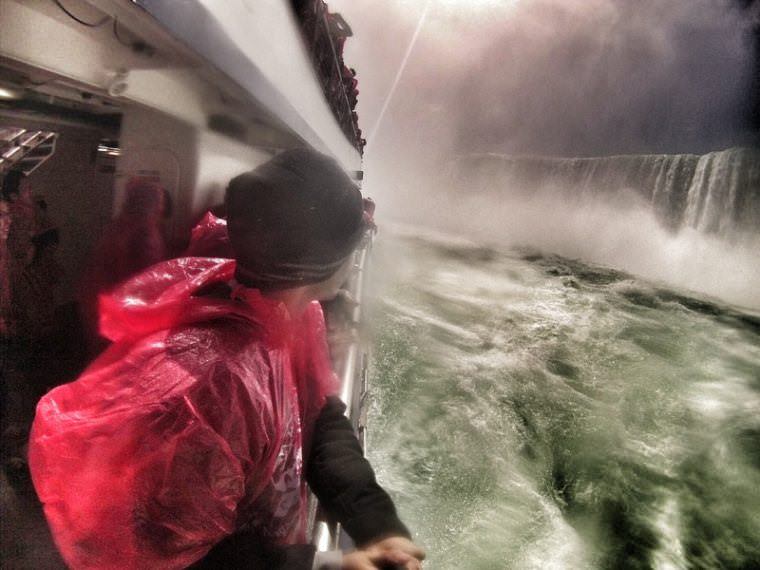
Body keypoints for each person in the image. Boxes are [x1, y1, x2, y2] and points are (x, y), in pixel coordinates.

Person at [28, 149, 425, 570]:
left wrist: (377, 524)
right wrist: (323, 565)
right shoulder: (213, 384)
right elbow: (165, 552)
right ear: (322, 261)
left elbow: (320, 416)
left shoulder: (294, 317)